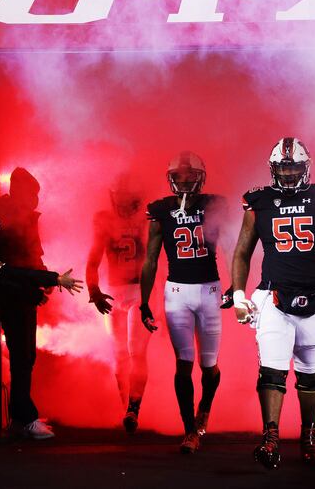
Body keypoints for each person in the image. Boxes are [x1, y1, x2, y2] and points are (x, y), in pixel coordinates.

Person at [231, 137, 315, 468]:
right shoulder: (258, 202)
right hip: (274, 295)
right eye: (283, 168)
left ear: (306, 168)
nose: (288, 175)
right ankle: (270, 437)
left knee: (311, 375)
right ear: (273, 169)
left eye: (294, 168)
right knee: (271, 370)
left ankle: (308, 436)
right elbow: (242, 251)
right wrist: (238, 294)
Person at [140, 152, 226, 453]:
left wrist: (235, 288)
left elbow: (231, 244)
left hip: (210, 291)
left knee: (209, 365)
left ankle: (205, 407)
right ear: (170, 178)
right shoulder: (161, 209)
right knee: (183, 363)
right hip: (177, 292)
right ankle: (190, 430)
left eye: (190, 175)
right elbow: (150, 259)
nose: (185, 180)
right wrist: (143, 302)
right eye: (179, 175)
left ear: (201, 177)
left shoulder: (214, 203)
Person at [0, 167, 57, 439]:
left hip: (21, 293)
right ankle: (24, 417)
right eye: (33, 193)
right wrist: (35, 287)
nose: (35, 199)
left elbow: (33, 255)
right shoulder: (4, 218)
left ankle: (21, 413)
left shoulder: (21, 217)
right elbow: (7, 266)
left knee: (24, 356)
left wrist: (43, 281)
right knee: (21, 356)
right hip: (12, 295)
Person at [87, 176, 150, 434]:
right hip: (114, 291)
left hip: (139, 291)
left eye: (127, 196)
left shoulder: (148, 219)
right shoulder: (105, 220)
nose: (123, 201)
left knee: (136, 352)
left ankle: (133, 409)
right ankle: (126, 405)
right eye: (120, 195)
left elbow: (159, 259)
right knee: (119, 356)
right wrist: (94, 291)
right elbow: (93, 260)